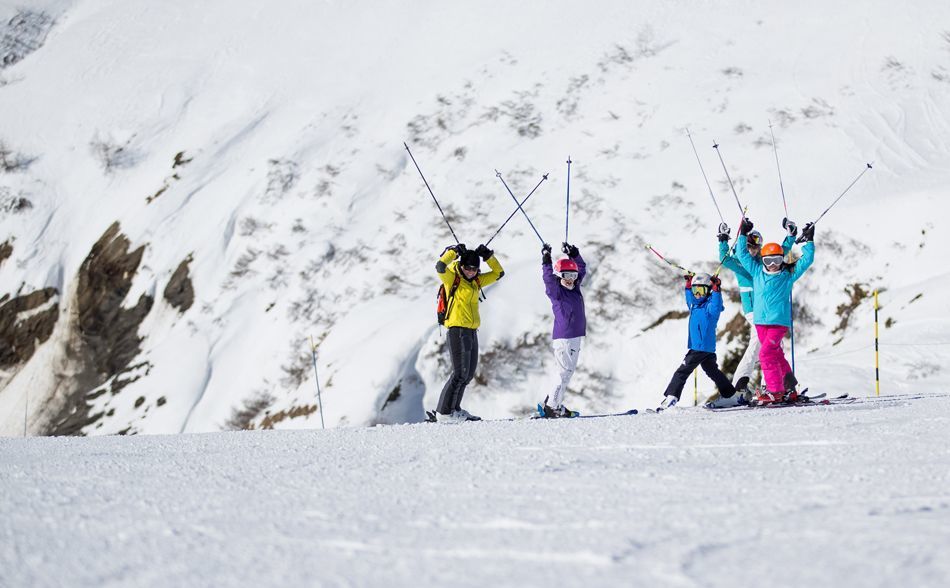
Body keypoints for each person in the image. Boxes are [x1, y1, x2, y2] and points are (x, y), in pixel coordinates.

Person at [735, 218, 815, 404]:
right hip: (760, 322)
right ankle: (789, 388)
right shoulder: (757, 272)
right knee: (776, 354)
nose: (772, 264)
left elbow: (807, 260)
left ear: (782, 259)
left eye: (777, 259)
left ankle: (775, 391)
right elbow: (742, 254)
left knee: (765, 354)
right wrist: (743, 235)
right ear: (763, 259)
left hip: (778, 323)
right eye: (769, 260)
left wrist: (809, 241)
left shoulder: (788, 275)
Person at [716, 219, 797, 401]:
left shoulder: (763, 264)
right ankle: (742, 386)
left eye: (756, 246)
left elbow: (780, 252)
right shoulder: (741, 263)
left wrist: (790, 237)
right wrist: (723, 239)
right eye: (750, 246)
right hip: (754, 310)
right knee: (761, 346)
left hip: (768, 310)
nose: (753, 249)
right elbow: (723, 257)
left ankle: (774, 385)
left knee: (770, 347)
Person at [433, 243, 504, 423]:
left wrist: (488, 257)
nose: (471, 272)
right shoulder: (452, 279)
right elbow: (440, 266)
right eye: (468, 268)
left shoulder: (477, 281)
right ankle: (444, 412)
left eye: (475, 269)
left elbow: (499, 273)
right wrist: (454, 252)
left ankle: (454, 410)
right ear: (462, 266)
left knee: (468, 374)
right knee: (459, 373)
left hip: (472, 331)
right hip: (457, 330)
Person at [658, 273, 737, 410]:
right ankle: (730, 394)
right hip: (706, 348)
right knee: (712, 371)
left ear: (708, 291)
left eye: (702, 291)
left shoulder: (711, 309)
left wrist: (716, 289)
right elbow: (689, 298)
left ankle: (671, 397)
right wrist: (688, 287)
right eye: (696, 291)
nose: (698, 294)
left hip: (699, 348)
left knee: (682, 372)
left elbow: (717, 304)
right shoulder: (694, 305)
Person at [538, 242, 587, 418]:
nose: (570, 279)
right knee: (564, 372)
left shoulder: (575, 287)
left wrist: (574, 254)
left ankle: (553, 403)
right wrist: (546, 260)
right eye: (566, 275)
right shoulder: (557, 291)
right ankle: (552, 406)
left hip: (574, 336)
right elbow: (548, 279)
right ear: (560, 275)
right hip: (565, 337)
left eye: (573, 275)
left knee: (566, 371)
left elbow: (581, 268)